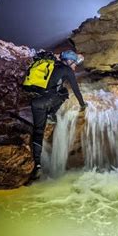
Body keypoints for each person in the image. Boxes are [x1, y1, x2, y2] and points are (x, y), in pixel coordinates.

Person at [28, 49, 86, 182]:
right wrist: (83, 105)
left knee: (38, 131)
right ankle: (50, 114)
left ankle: (37, 165)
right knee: (64, 93)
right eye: (75, 63)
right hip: (47, 101)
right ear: (69, 61)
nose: (75, 66)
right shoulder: (67, 70)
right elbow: (76, 90)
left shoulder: (52, 65)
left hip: (35, 102)